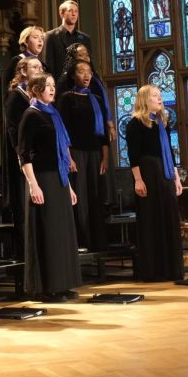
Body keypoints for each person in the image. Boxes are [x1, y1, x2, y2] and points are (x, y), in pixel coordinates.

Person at [18, 73, 81, 302]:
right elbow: (23, 154)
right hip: (42, 179)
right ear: (35, 90)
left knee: (62, 234)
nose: (52, 89)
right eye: (47, 86)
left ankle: (62, 284)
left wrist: (69, 188)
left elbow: (62, 153)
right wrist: (33, 185)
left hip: (59, 179)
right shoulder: (31, 115)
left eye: (54, 85)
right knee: (48, 233)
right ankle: (47, 287)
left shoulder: (54, 114)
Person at [125, 85, 184, 283]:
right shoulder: (134, 124)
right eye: (156, 96)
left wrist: (176, 178)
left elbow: (170, 153)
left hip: (165, 173)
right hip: (147, 173)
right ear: (144, 100)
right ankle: (152, 270)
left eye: (160, 96)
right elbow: (133, 156)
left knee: (169, 218)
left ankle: (171, 269)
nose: (160, 99)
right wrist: (138, 180)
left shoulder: (162, 123)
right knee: (151, 220)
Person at [57, 60, 110, 251]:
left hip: (95, 152)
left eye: (89, 72)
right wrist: (68, 157)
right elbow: (62, 130)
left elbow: (103, 131)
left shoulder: (96, 98)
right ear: (73, 75)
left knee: (95, 195)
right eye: (81, 72)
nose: (86, 76)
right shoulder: (66, 98)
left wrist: (105, 157)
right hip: (76, 152)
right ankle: (81, 240)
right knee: (80, 196)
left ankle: (97, 242)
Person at [4, 56, 43, 258]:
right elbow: (13, 129)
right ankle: (24, 253)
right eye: (34, 66)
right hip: (23, 156)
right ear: (24, 71)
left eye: (40, 66)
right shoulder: (15, 96)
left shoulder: (36, 96)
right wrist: (21, 155)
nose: (39, 68)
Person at [43, 0, 91, 75]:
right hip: (60, 82)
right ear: (62, 14)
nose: (74, 14)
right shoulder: (51, 36)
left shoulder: (85, 38)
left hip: (80, 82)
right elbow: (49, 65)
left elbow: (89, 64)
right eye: (70, 11)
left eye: (76, 11)